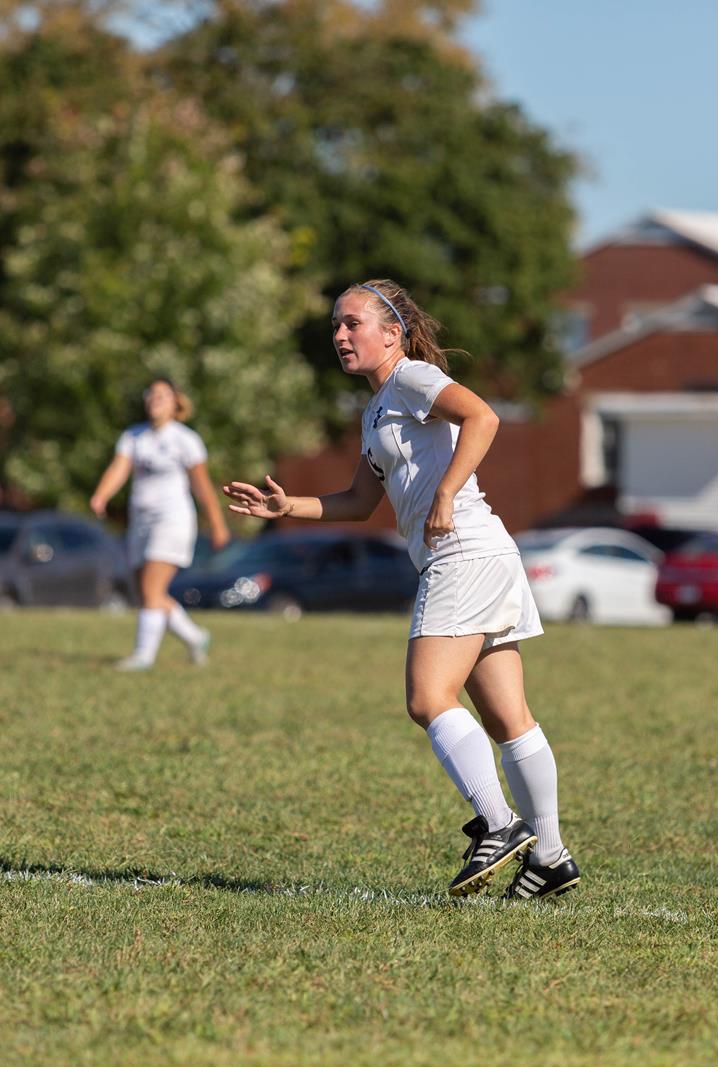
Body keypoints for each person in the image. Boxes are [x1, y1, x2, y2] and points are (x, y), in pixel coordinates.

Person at [223, 279, 580, 900]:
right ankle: (549, 858)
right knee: (507, 717)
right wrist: (287, 507)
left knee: (427, 697)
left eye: (353, 323)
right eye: (335, 325)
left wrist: (445, 492)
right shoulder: (375, 409)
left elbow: (482, 416)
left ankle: (500, 824)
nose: (340, 335)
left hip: (464, 550)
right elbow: (361, 501)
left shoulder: (411, 378)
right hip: (481, 553)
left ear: (393, 332)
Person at [90, 378, 230, 670]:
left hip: (173, 520)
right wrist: (101, 495)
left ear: (176, 403)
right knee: (147, 593)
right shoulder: (134, 436)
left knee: (152, 589)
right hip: (140, 522)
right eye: (151, 394)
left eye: (163, 395)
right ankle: (195, 637)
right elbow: (119, 468)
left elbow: (202, 486)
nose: (155, 399)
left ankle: (143, 656)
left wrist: (217, 524)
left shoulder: (185, 439)